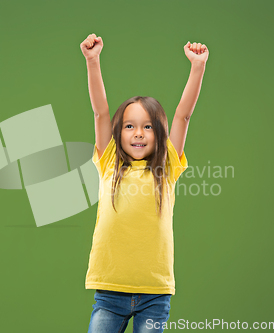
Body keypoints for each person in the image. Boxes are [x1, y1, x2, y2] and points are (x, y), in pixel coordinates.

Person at [80, 33, 209, 333]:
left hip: (155, 293)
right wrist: (92, 61)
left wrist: (198, 67)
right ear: (118, 133)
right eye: (129, 126)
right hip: (109, 291)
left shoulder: (167, 167)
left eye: (147, 127)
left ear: (160, 134)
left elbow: (184, 115)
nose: (138, 133)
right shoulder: (109, 161)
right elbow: (99, 112)